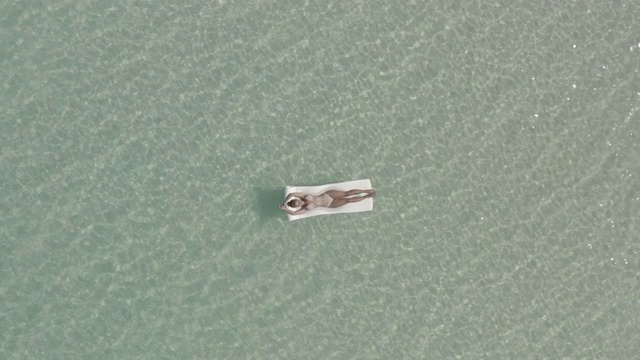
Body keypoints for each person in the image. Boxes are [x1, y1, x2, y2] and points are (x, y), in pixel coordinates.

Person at [279, 189, 376, 215]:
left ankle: (366, 191)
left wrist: (284, 202)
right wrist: (285, 209)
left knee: (348, 193)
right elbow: (294, 213)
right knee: (349, 200)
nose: (299, 203)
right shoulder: (304, 209)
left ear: (297, 200)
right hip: (329, 204)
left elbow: (291, 194)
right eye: (297, 205)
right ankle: (367, 197)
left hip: (328, 195)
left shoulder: (303, 196)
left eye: (297, 202)